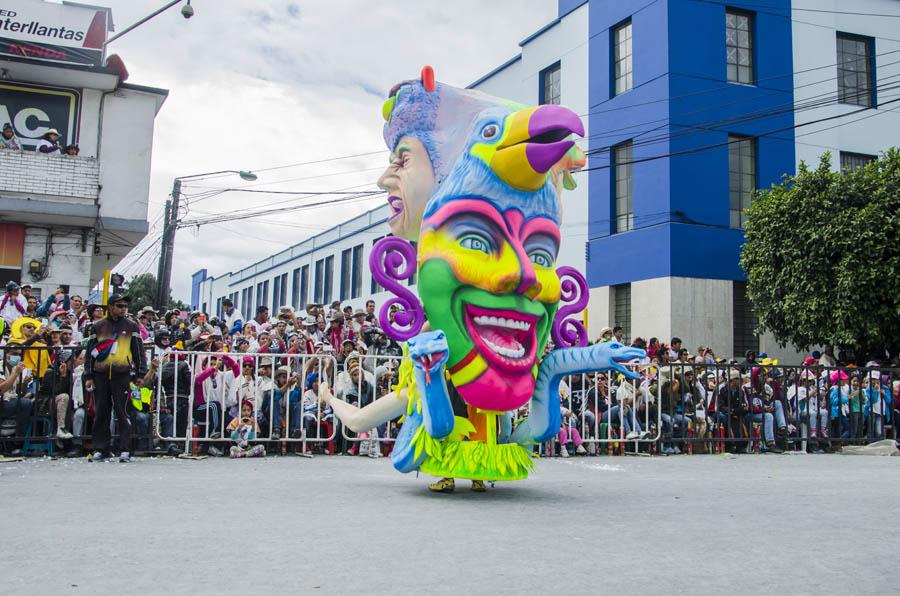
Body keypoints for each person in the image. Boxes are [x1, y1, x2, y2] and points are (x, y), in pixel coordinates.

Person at [83, 293, 146, 462]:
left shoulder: (132, 326)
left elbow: (138, 351)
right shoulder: (98, 326)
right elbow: (90, 353)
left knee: (124, 412)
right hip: (100, 375)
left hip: (122, 375)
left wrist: (140, 373)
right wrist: (88, 375)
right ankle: (101, 449)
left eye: (125, 306)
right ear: (110, 307)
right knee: (101, 412)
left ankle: (125, 449)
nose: (123, 309)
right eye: (119, 306)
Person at [0, 348, 34, 455]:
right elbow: (2, 389)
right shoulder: (1, 366)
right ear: (6, 354)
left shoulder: (16, 368)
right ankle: (17, 441)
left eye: (19, 355)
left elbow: (19, 392)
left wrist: (24, 384)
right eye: (13, 354)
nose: (16, 357)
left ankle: (17, 440)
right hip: (2, 402)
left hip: (11, 401)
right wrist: (15, 374)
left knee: (29, 402)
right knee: (25, 403)